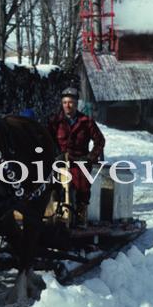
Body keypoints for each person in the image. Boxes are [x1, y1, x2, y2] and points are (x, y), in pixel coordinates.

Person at [47, 87, 105, 226]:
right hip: (59, 161)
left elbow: (100, 141)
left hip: (80, 161)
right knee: (52, 186)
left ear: (76, 103)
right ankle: (54, 214)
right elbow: (47, 139)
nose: (68, 105)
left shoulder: (86, 121)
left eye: (71, 102)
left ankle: (80, 214)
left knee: (82, 186)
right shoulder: (55, 121)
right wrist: (55, 155)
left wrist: (90, 157)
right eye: (65, 102)